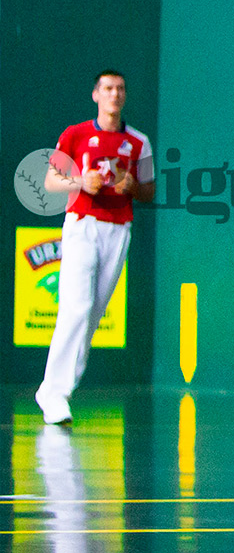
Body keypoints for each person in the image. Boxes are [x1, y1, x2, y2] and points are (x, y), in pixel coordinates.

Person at [37, 70, 155, 425]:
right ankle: (54, 392)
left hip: (118, 230)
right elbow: (50, 180)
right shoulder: (75, 135)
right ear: (95, 95)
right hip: (82, 226)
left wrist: (133, 186)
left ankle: (59, 390)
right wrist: (80, 181)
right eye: (107, 89)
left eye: (120, 89)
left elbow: (149, 191)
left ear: (124, 96)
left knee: (92, 314)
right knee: (77, 306)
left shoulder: (139, 143)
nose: (114, 95)